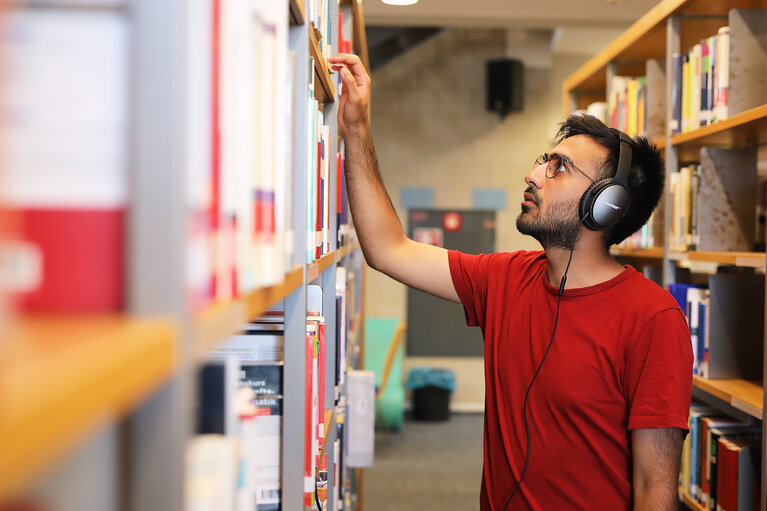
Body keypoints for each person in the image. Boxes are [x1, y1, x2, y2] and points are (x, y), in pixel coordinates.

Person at [328, 52, 693, 511]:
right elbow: (388, 249)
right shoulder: (504, 278)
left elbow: (655, 491)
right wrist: (356, 128)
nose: (532, 173)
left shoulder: (653, 319)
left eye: (557, 167)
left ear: (605, 205)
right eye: (544, 160)